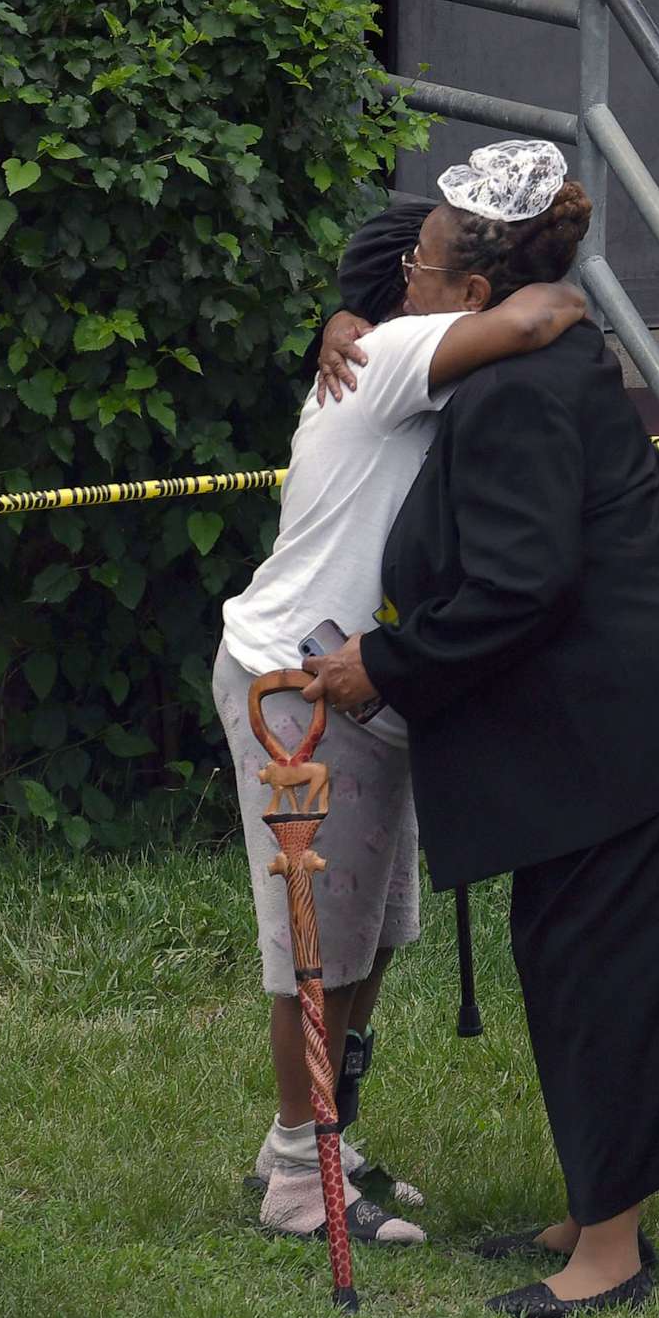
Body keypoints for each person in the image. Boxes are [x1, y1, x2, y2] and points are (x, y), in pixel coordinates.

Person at [303, 141, 659, 1318]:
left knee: (601, 967)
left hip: (649, 713)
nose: (400, 273)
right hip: (655, 699)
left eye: (419, 266)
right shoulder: (537, 341)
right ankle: (592, 1203)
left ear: (471, 294)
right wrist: (347, 310)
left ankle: (605, 1252)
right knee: (584, 954)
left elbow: (521, 586)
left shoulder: (512, 392)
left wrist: (384, 666)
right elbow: (389, 245)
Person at [216, 193, 589, 1247]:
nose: (420, 284)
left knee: (371, 934)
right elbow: (526, 321)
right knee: (316, 948)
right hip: (296, 684)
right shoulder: (390, 353)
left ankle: (320, 1135)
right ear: (445, 291)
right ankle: (300, 1173)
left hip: (360, 681)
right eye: (421, 265)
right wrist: (563, 278)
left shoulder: (400, 353)